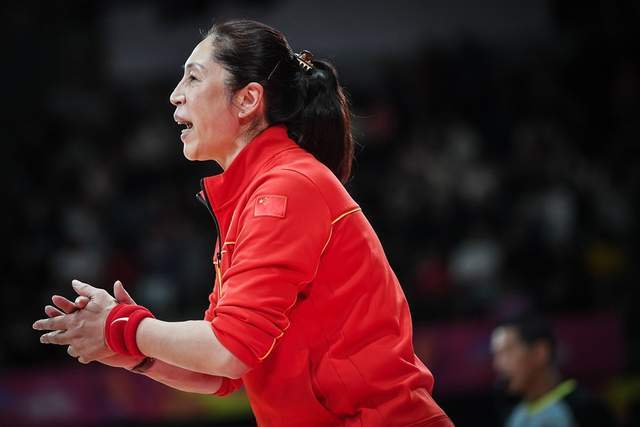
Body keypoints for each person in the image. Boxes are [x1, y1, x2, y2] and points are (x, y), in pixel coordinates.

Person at [32, 20, 453, 427]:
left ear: (248, 100)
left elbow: (228, 352)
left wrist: (123, 327)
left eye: (194, 78)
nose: (175, 95)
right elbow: (224, 373)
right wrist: (136, 354)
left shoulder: (287, 188)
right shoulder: (255, 197)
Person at [491, 315, 617, 427]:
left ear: (540, 352)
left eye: (507, 352)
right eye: (496, 355)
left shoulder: (584, 408)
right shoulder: (513, 415)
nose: (498, 364)